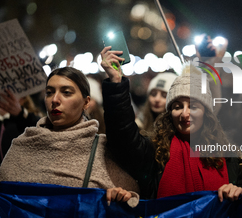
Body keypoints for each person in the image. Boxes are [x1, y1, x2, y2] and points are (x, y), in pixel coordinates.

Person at [100, 46, 242, 201]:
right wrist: (116, 82)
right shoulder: (156, 153)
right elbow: (122, 136)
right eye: (177, 107)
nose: (185, 113)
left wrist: (238, 190)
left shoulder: (229, 157)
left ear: (206, 113)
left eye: (193, 106)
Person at [0, 67, 139, 207]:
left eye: (66, 93)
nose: (54, 99)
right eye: (49, 93)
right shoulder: (23, 144)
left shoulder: (104, 150)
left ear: (86, 102)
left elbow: (132, 203)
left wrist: (122, 197)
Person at [0, 90, 42, 164]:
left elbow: (39, 129)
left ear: (23, 98)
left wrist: (20, 113)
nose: (7, 99)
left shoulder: (31, 118)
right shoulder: (4, 121)